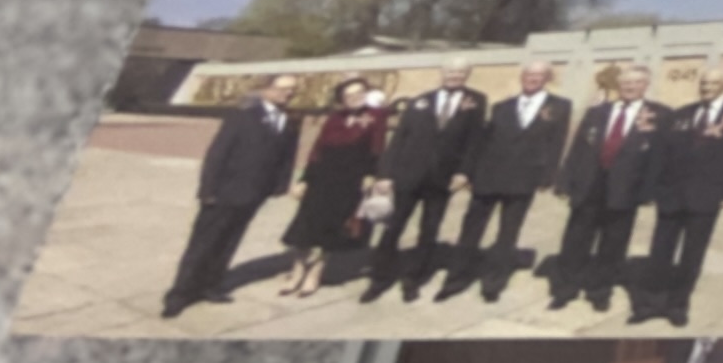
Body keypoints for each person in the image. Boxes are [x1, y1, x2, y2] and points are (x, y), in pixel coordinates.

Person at [165, 76, 304, 318]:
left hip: (255, 193)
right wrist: (207, 190)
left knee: (230, 241)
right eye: (282, 88)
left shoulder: (289, 120)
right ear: (266, 89)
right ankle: (180, 294)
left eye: (292, 89)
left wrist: (279, 185)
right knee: (203, 244)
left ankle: (210, 285)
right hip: (224, 192)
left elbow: (286, 157)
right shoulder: (243, 115)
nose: (288, 93)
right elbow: (218, 153)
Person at [644, 60, 723, 326]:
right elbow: (663, 153)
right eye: (703, 83)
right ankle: (653, 303)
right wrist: (653, 188)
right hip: (672, 194)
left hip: (706, 194)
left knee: (692, 253)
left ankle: (678, 304)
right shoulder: (682, 113)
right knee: (660, 251)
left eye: (713, 83)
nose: (706, 88)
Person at [545, 66, 661, 315]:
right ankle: (565, 289)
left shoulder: (658, 114)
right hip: (589, 186)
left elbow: (659, 157)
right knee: (575, 241)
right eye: (626, 82)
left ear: (645, 85)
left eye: (636, 83)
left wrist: (649, 191)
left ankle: (599, 291)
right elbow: (578, 149)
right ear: (618, 85)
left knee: (613, 245)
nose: (630, 87)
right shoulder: (597, 112)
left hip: (625, 190)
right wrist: (565, 181)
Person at [369, 63, 486, 303]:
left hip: (442, 178)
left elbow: (475, 141)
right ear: (442, 74)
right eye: (450, 71)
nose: (454, 76)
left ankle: (413, 280)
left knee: (429, 230)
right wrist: (385, 174)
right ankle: (379, 279)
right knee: (393, 228)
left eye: (460, 72)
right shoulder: (421, 101)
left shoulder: (476, 101)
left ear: (467, 75)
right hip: (409, 174)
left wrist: (464, 172)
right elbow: (400, 137)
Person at [455, 57, 569, 300]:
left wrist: (548, 175)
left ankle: (494, 281)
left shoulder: (559, 106)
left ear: (547, 78)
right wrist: (469, 172)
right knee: (472, 227)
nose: (532, 79)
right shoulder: (502, 106)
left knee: (508, 231)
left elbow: (556, 143)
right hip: (488, 175)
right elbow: (483, 141)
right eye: (528, 74)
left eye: (538, 75)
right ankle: (458, 276)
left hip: (523, 177)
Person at [275, 81, 387, 302]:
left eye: (360, 92)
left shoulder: (375, 117)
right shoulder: (335, 119)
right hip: (322, 178)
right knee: (305, 227)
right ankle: (297, 270)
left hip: (350, 181)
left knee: (331, 229)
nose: (356, 97)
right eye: (350, 95)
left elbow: (377, 148)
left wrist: (371, 174)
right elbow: (317, 149)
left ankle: (315, 273)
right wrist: (304, 180)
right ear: (342, 100)